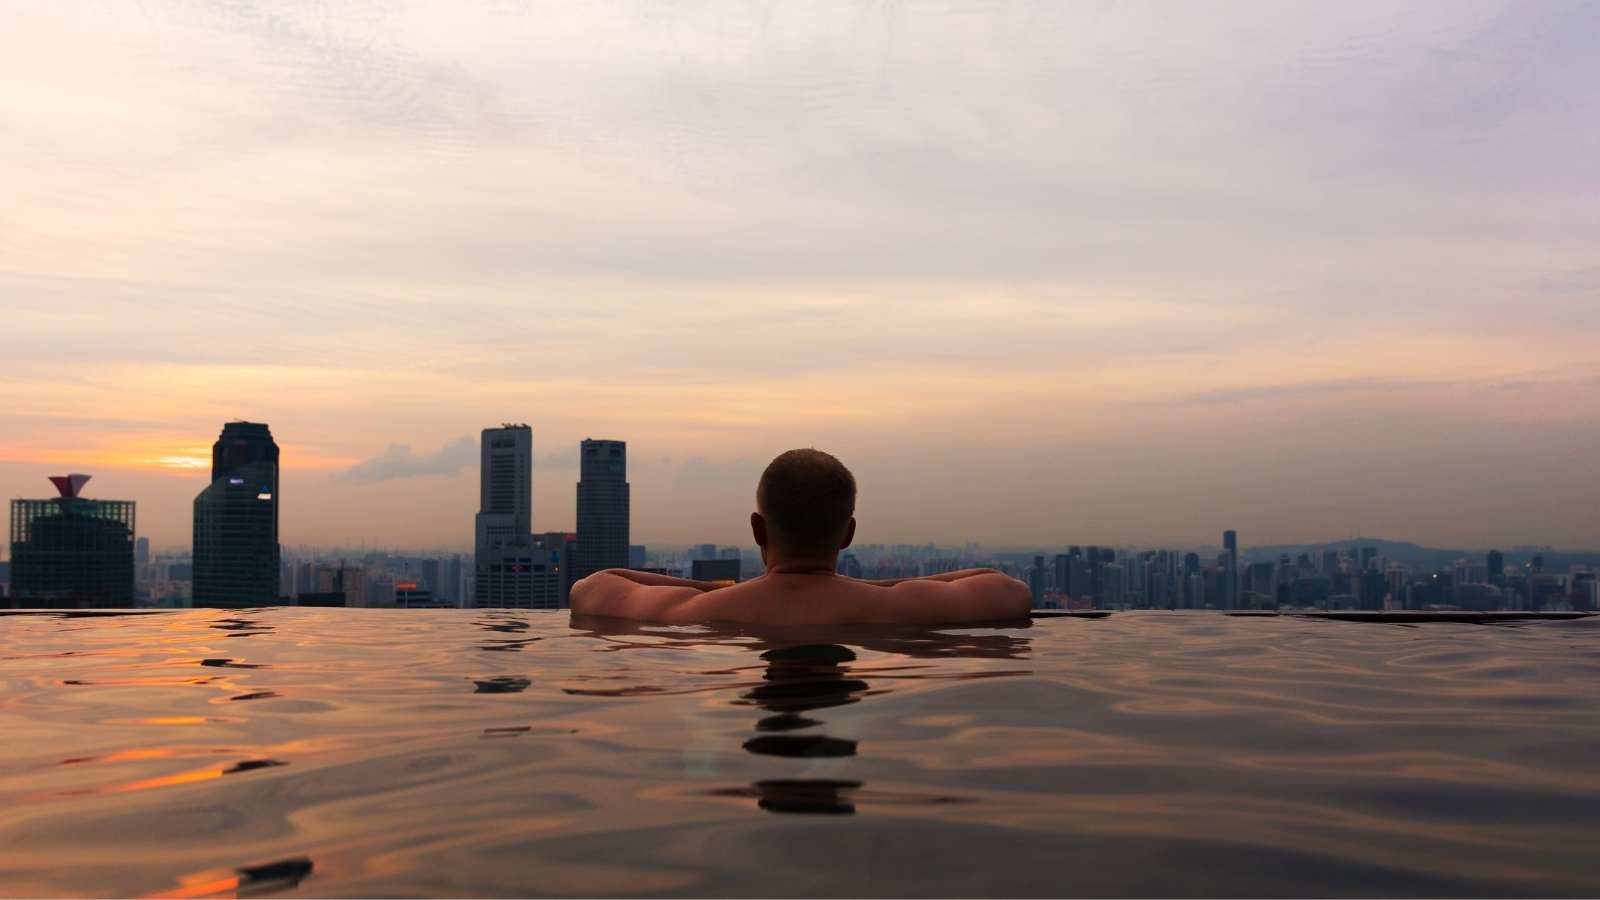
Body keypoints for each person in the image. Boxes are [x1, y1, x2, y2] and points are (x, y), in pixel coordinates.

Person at [570, 448, 1031, 625]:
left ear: (758, 529)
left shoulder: (697, 613)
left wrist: (711, 590)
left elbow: (591, 586)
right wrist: (871, 589)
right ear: (848, 533)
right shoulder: (901, 608)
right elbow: (1008, 590)